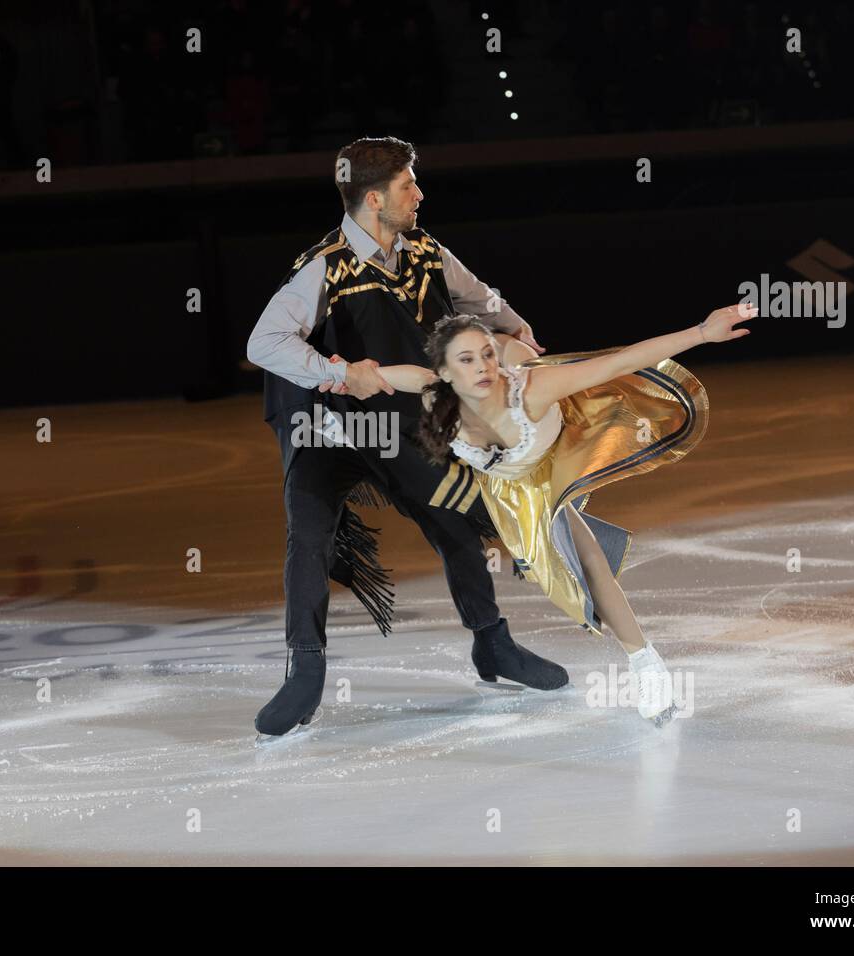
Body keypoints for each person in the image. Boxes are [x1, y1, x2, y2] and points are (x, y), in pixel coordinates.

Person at [247, 136, 568, 737]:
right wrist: (344, 374)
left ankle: (492, 645)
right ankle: (305, 673)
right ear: (375, 198)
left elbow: (481, 299)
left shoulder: (425, 250)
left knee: (452, 519)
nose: (419, 194)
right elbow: (262, 344)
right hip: (323, 427)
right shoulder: (324, 267)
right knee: (309, 533)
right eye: (407, 185)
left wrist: (513, 324)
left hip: (395, 424)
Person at [351, 304, 755, 723]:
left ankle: (646, 665)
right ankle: (501, 333)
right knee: (550, 566)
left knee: (583, 558)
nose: (482, 367)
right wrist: (341, 374)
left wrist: (703, 333)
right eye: (467, 360)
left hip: (559, 449)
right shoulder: (437, 390)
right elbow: (388, 375)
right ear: (446, 372)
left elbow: (619, 362)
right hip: (510, 483)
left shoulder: (532, 390)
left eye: (486, 355)